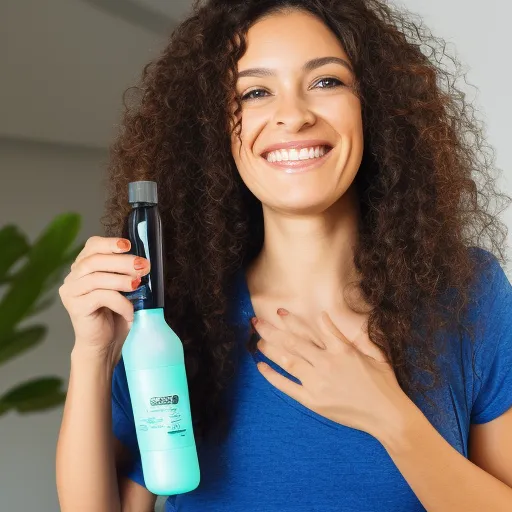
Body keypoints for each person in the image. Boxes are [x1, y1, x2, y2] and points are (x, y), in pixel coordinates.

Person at [56, 0, 512, 510]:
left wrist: (389, 418)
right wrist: (92, 354)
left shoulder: (469, 292)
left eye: (326, 82)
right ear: (214, 134)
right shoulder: (175, 321)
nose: (293, 116)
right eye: (255, 92)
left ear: (375, 105)